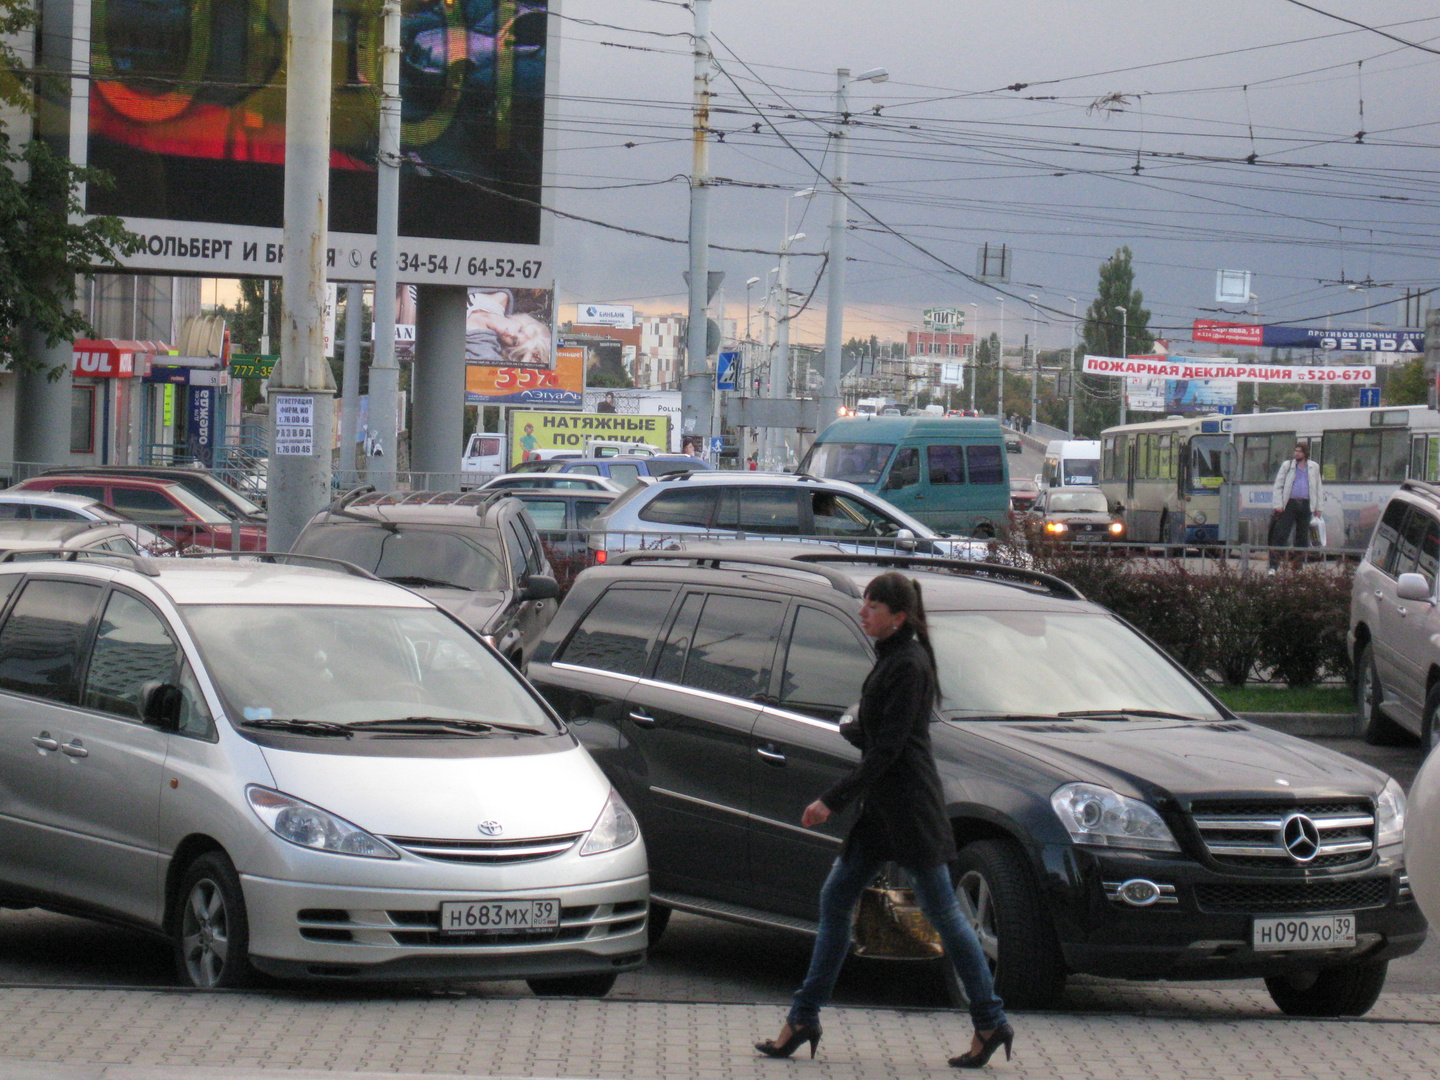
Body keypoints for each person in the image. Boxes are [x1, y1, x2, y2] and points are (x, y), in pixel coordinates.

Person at [755, 573, 1013, 1070]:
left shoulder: (909, 665)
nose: (863, 612)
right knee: (836, 901)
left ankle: (989, 1018)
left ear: (899, 616)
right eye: (865, 603)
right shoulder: (894, 659)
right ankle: (804, 1017)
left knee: (943, 914)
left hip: (910, 812)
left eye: (873, 606)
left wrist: (831, 799)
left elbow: (892, 750)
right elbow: (884, 736)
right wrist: (858, 730)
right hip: (883, 813)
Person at [1270, 442, 1323, 549]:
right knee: (1281, 534)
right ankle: (1273, 565)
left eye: (1300, 451)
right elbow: (1278, 486)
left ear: (1305, 453)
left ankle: (1298, 564)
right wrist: (1278, 505)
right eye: (1296, 451)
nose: (1296, 453)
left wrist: (1319, 508)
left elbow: (1318, 488)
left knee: (1302, 537)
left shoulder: (1314, 467)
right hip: (1290, 504)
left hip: (1306, 505)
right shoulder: (1288, 465)